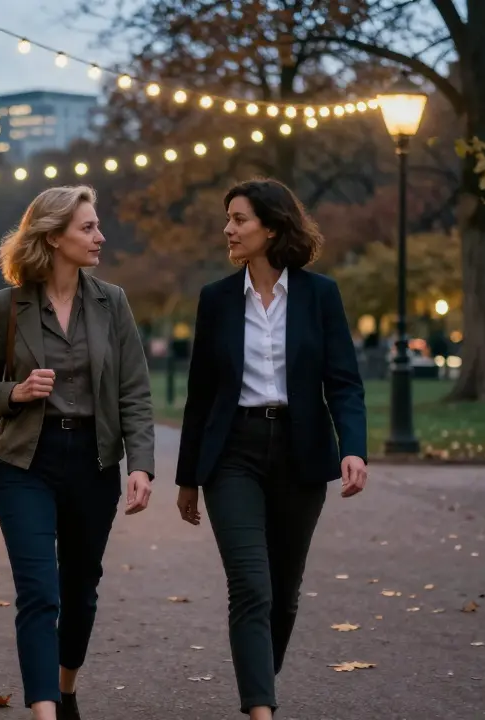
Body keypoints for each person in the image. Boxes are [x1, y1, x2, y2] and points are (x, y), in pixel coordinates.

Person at [174, 179, 368, 720]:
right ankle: (261, 709)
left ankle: (260, 677)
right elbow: (200, 394)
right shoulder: (215, 299)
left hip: (299, 453)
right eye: (228, 218)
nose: (228, 229)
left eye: (239, 219)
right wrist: (188, 476)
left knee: (283, 594)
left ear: (273, 227)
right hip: (232, 453)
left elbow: (344, 382)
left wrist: (353, 448)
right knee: (252, 588)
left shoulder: (319, 294)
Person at [0, 185, 155, 720]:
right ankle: (44, 710)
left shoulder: (111, 302)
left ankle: (65, 688)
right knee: (38, 591)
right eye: (87, 228)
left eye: (96, 226)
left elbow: (135, 391)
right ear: (53, 237)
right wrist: (16, 392)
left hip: (94, 463)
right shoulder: (6, 307)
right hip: (25, 461)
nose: (100, 236)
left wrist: (140, 463)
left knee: (80, 590)